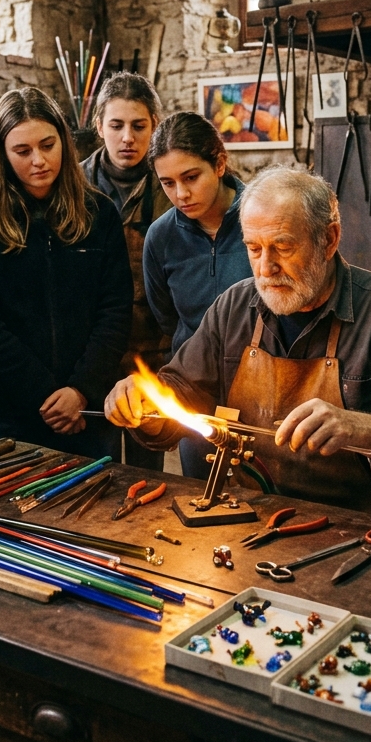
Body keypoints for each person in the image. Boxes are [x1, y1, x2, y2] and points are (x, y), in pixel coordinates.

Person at [107, 167, 371, 515]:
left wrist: (362, 428)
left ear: (329, 239)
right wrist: (147, 406)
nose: (266, 268)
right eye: (254, 249)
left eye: (282, 247)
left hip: (356, 527)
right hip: (248, 517)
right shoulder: (234, 308)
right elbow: (182, 393)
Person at [0, 87, 132, 459]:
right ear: (2, 154)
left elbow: (115, 312)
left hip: (86, 412)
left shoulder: (100, 214)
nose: (39, 160)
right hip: (2, 416)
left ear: (64, 142)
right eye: (22, 151)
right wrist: (46, 395)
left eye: (48, 145)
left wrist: (80, 390)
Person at [142, 112, 252, 475]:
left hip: (263, 393)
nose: (181, 194)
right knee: (200, 500)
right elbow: (167, 318)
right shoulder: (161, 238)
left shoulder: (261, 218)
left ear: (219, 164)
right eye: (168, 183)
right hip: (196, 399)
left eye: (191, 178)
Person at [81, 73, 172, 470]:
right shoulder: (73, 185)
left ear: (155, 125)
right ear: (99, 126)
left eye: (139, 126)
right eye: (116, 125)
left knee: (146, 474)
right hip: (91, 351)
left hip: (153, 351)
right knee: (92, 467)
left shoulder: (170, 186)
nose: (127, 138)